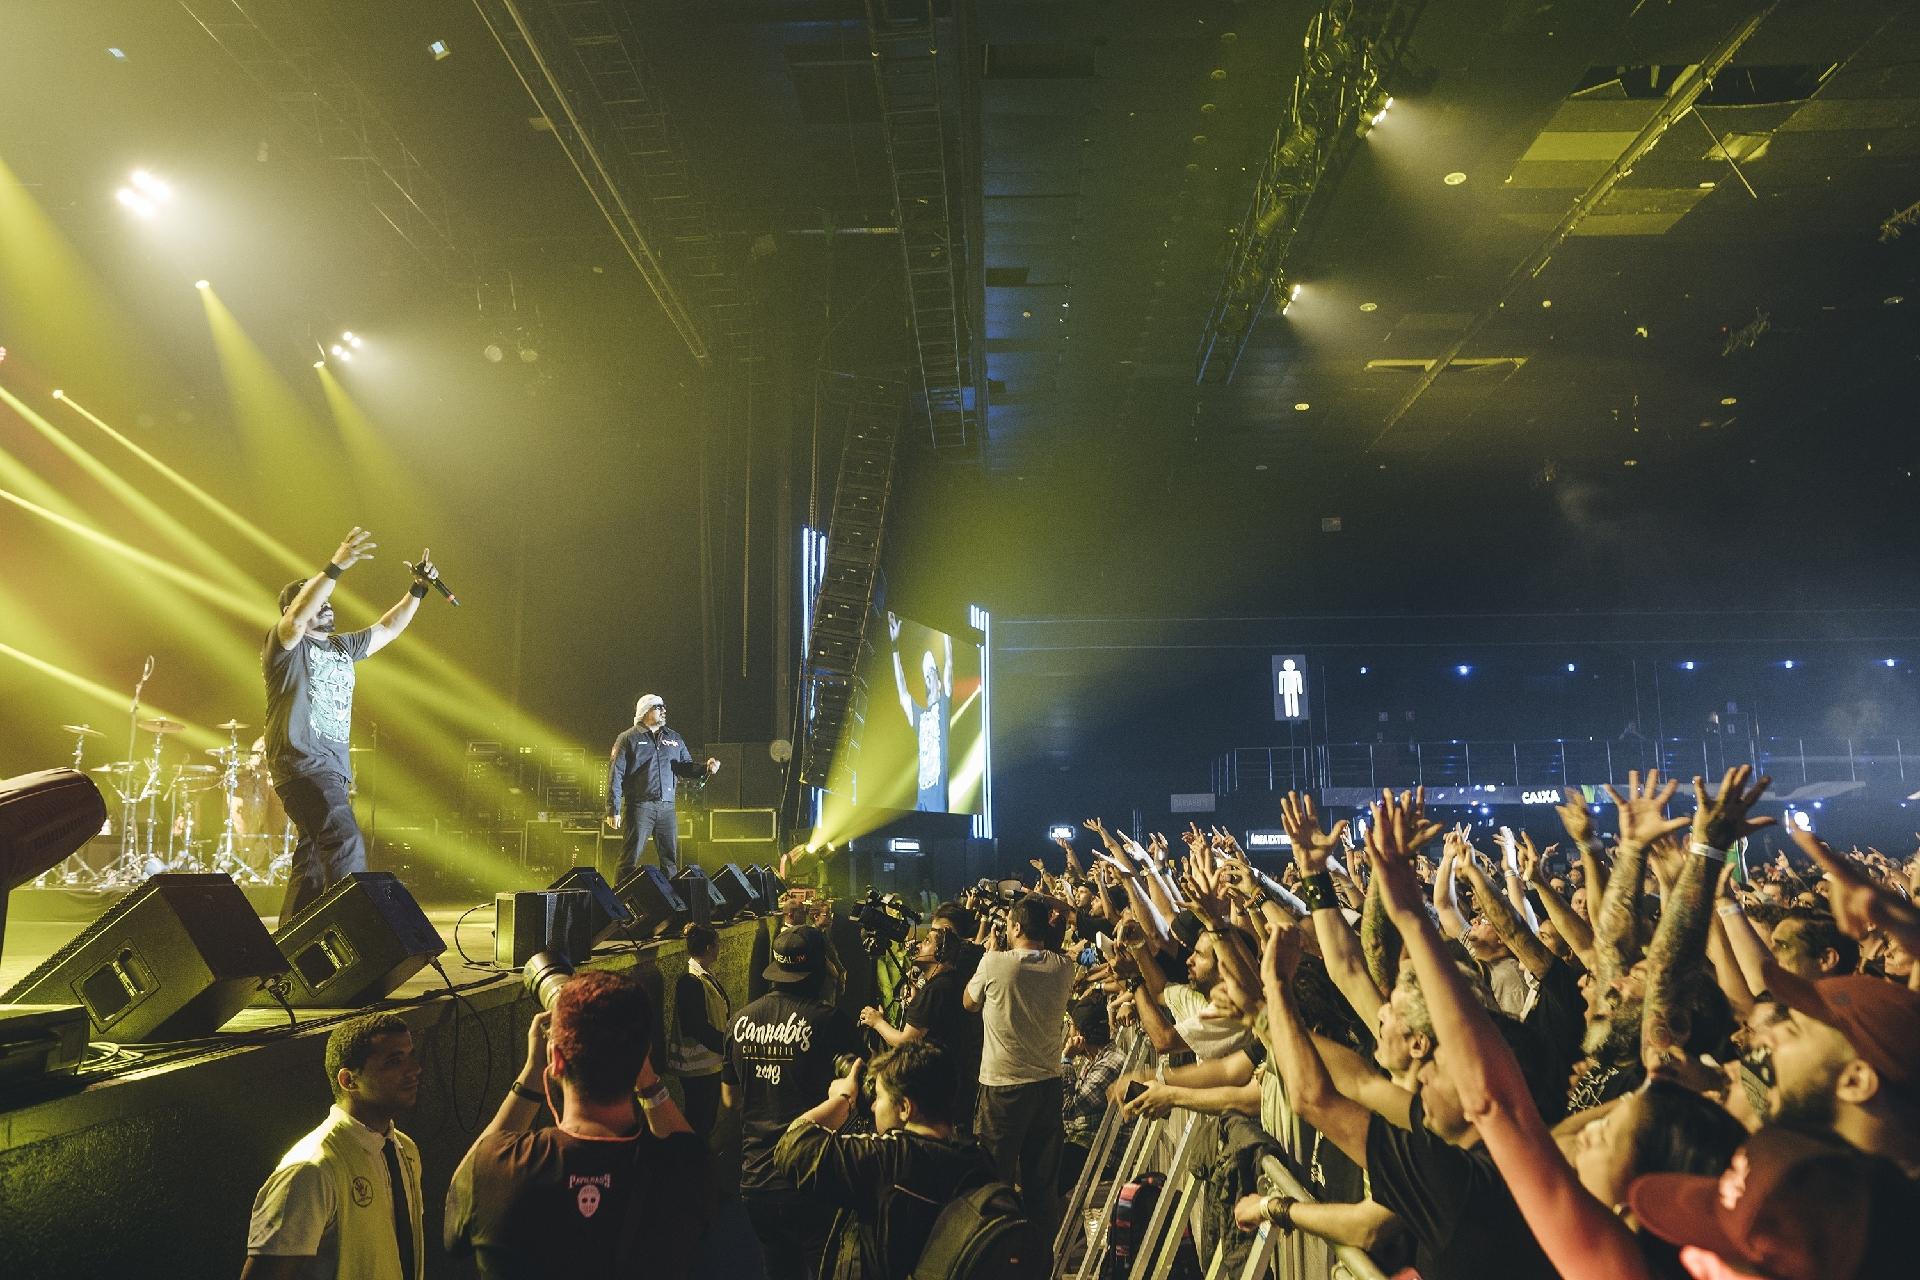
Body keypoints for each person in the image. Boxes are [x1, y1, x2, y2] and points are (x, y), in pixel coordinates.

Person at [445, 971, 707, 1279]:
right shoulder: (683, 1169)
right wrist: (647, 1081)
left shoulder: (497, 1166)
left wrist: (532, 1074)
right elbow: (690, 1150)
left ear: (555, 1060)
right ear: (642, 1059)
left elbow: (455, 1220)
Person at [264, 528, 441, 921]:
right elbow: (296, 618)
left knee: (310, 862)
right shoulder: (286, 648)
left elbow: (388, 628)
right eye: (317, 600)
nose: (327, 605)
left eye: (327, 600)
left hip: (332, 771)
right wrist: (335, 566)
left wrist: (417, 590)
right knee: (345, 842)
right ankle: (355, 933)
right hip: (303, 766)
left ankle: (287, 952)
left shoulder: (343, 647)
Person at [772, 1043, 998, 1280]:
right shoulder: (978, 1158)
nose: (872, 1106)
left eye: (879, 1097)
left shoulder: (889, 1161)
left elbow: (792, 1147)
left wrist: (843, 1099)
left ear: (904, 1108)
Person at [724, 924, 862, 1280]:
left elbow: (729, 1099)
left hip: (756, 1180)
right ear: (821, 969)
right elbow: (859, 1089)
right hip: (812, 1175)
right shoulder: (830, 1021)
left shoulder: (740, 1020)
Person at [243, 1012, 424, 1280]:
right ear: (349, 1081)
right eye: (394, 1061)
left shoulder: (404, 1150)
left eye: (410, 1056)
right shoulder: (311, 1169)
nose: (413, 1070)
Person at [964, 893, 1075, 1233]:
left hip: (1002, 1086)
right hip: (1047, 1085)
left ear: (1015, 926)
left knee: (993, 1177)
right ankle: (1040, 1257)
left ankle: (996, 1248)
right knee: (1041, 1184)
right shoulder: (1064, 965)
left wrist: (989, 953)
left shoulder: (995, 963)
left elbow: (968, 1003)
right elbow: (1065, 913)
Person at [858, 923, 983, 1131]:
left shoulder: (936, 990)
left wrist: (876, 1021)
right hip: (957, 1081)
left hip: (938, 1083)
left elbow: (907, 1040)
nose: (919, 945)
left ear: (940, 954)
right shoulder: (949, 983)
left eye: (927, 942)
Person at [605, 693, 718, 880]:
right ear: (645, 711)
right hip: (640, 806)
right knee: (629, 859)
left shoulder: (674, 738)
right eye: (658, 707)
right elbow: (615, 774)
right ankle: (619, 904)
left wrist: (706, 768)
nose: (664, 710)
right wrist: (613, 809)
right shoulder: (628, 738)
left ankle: (672, 904)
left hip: (667, 807)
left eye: (664, 706)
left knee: (670, 860)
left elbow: (686, 767)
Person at [670, 923, 731, 1139]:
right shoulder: (691, 981)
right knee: (699, 1118)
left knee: (706, 1118)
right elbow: (695, 1026)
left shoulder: (703, 975)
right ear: (707, 948)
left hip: (708, 1064)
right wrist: (726, 1044)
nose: (719, 948)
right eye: (716, 944)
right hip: (698, 1067)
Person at [885, 612, 951, 813]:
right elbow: (902, 691)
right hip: (922, 797)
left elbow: (949, 663)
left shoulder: (944, 705)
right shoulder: (919, 715)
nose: (928, 674)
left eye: (932, 671)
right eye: (926, 673)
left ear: (939, 681)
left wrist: (948, 632)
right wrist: (895, 646)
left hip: (937, 800)